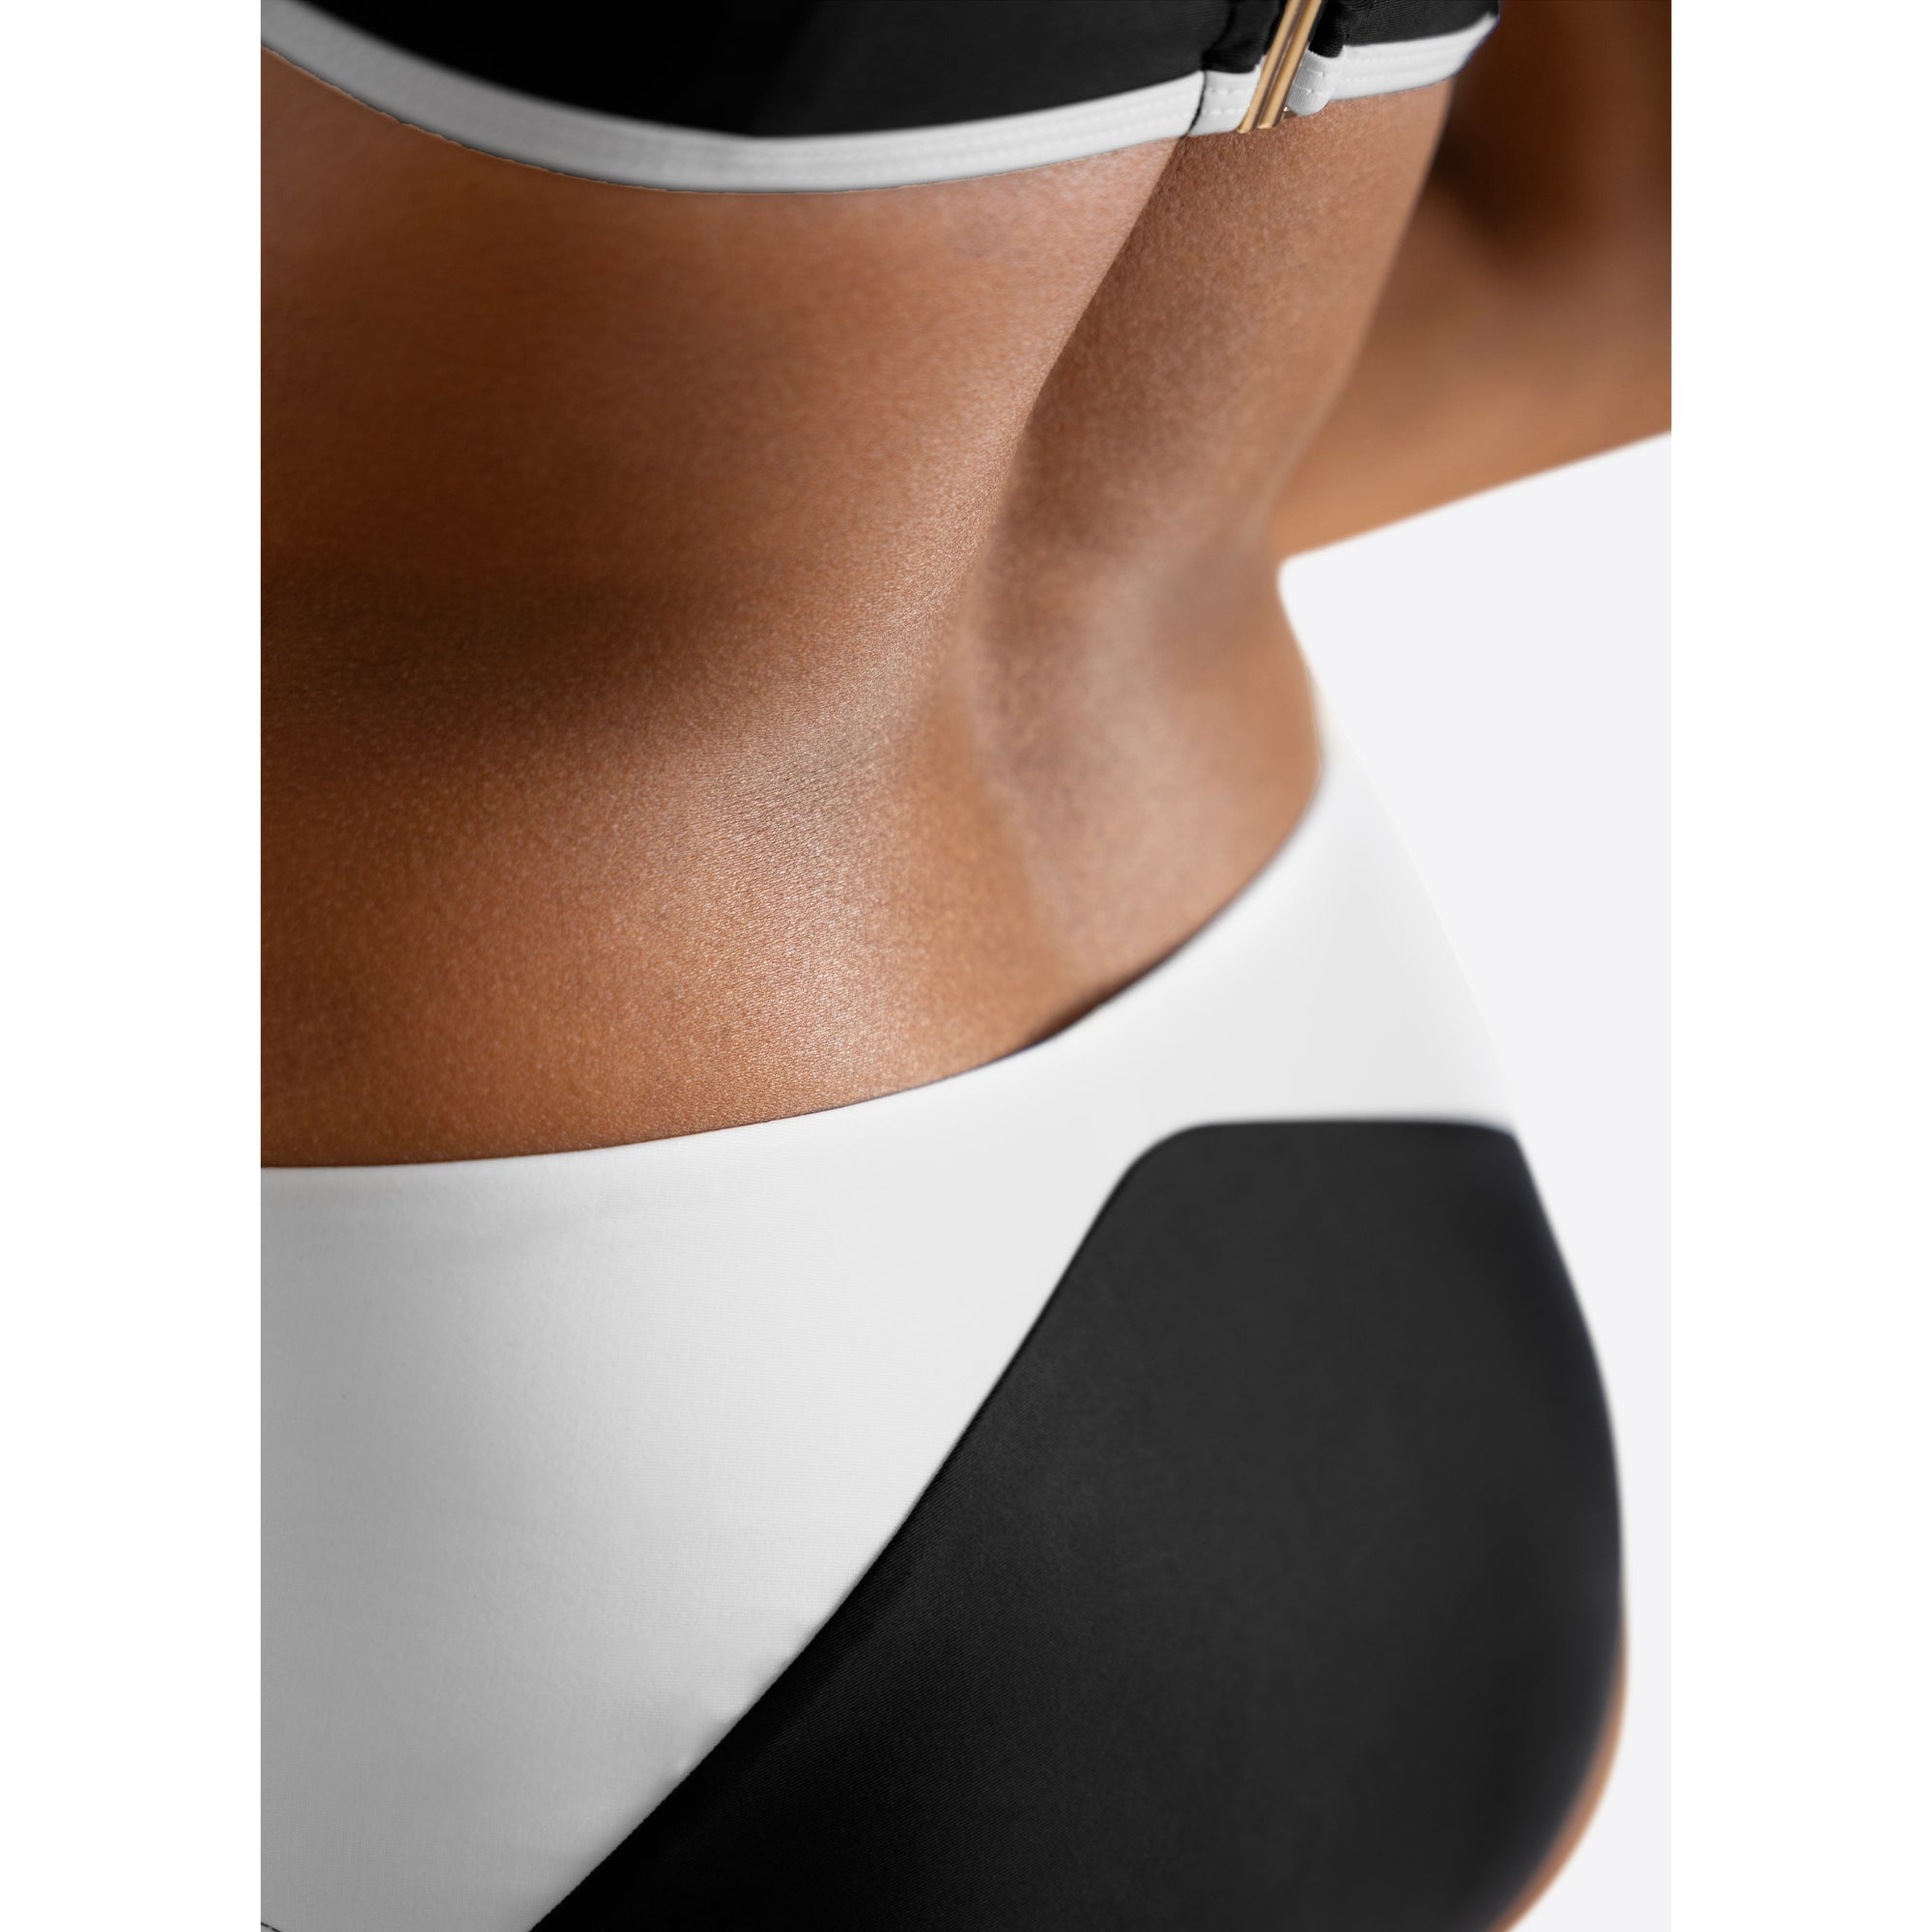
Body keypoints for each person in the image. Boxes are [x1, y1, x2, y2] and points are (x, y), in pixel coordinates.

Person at [262, 5, 1667, 1927]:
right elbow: (1623, 257)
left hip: (559, 1416)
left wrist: (724, 632)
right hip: (1363, 1303)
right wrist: (907, 593)